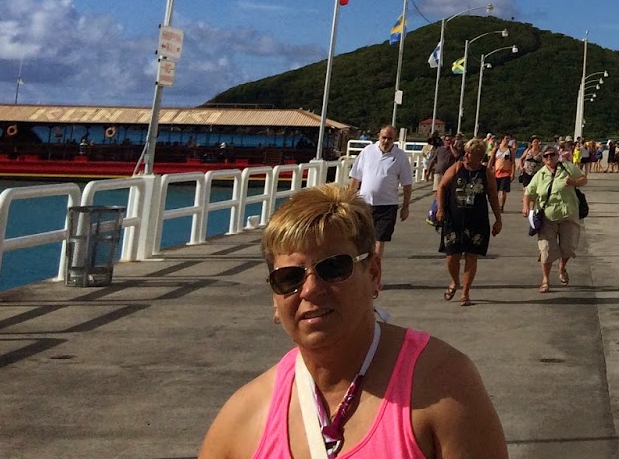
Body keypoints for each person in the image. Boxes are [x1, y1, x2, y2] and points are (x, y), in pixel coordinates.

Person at [197, 184, 507, 459]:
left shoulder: (443, 385)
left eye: (333, 268)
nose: (310, 289)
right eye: (289, 278)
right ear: (274, 299)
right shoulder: (246, 417)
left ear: (374, 273)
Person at [432, 138, 502, 306]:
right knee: (452, 255)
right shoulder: (457, 167)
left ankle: (465, 293)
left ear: (478, 156)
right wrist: (440, 209)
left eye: (469, 153)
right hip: (454, 219)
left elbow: (493, 196)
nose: (466, 155)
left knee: (472, 256)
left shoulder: (486, 173)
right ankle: (455, 281)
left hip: (477, 220)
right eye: (466, 152)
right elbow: (442, 186)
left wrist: (498, 219)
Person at [523, 143, 588, 293]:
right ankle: (545, 279)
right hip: (547, 216)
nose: (549, 158)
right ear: (543, 159)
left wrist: (574, 182)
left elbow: (584, 179)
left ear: (557, 156)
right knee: (546, 249)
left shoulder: (567, 167)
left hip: (568, 214)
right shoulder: (540, 174)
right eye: (546, 156)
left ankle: (562, 266)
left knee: (568, 247)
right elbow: (528, 192)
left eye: (552, 154)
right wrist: (526, 207)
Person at [346, 126, 413, 259]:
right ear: (379, 136)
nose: (386, 141)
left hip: (387, 205)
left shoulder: (400, 156)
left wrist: (405, 207)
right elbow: (355, 178)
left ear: (394, 139)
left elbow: (407, 184)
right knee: (361, 237)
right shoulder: (367, 151)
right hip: (365, 203)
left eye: (390, 138)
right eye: (384, 137)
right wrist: (349, 200)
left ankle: (375, 266)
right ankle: (362, 266)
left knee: (380, 239)